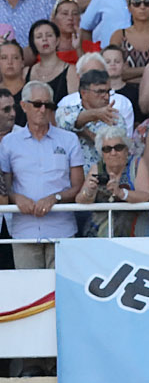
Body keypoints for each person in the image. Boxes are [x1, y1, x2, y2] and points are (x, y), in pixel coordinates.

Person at [1, 78, 82, 266]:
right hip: (24, 231)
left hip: (62, 229)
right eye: (37, 104)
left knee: (63, 292)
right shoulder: (9, 143)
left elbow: (78, 185)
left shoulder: (69, 140)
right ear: (23, 106)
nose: (43, 110)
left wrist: (55, 198)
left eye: (48, 105)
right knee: (28, 293)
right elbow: (5, 186)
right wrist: (17, 198)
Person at [73, 122, 149, 234]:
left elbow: (147, 195)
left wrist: (122, 193)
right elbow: (80, 200)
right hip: (101, 233)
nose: (113, 153)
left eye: (118, 148)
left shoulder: (137, 164)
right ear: (101, 153)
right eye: (107, 149)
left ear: (126, 149)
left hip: (136, 232)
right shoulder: (96, 168)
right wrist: (89, 192)